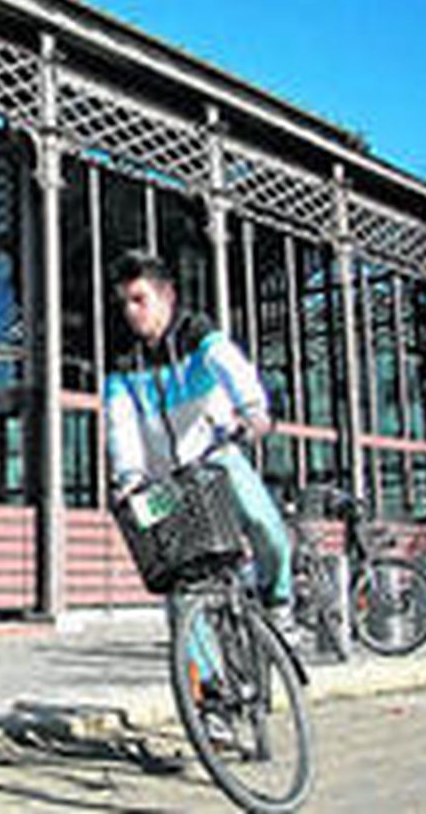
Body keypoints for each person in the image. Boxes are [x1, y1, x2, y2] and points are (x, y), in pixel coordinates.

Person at [103, 249, 293, 628]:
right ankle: (204, 684)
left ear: (167, 296)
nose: (130, 311)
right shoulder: (124, 361)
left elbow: (229, 364)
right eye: (124, 302)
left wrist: (253, 408)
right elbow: (119, 421)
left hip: (214, 458)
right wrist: (128, 476)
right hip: (163, 481)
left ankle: (278, 602)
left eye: (140, 299)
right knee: (179, 581)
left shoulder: (197, 334)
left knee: (265, 527)